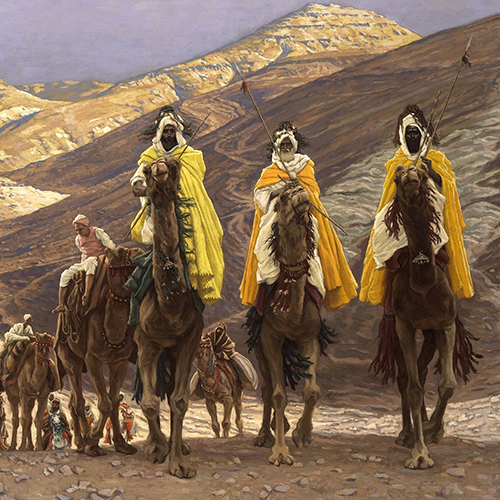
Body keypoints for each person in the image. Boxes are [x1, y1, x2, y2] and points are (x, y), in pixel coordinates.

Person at [359, 104, 474, 306]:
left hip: (429, 217)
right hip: (401, 217)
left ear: (422, 134)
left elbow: (448, 186)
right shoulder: (396, 162)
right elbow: (389, 195)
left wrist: (432, 173)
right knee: (383, 244)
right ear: (403, 135)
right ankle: (389, 307)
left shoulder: (435, 159)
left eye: (416, 133)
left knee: (442, 253)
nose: (412, 137)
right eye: (409, 133)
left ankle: (447, 305)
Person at [240, 121, 358, 313]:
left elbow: (313, 192)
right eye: (283, 145)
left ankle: (315, 294)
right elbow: (259, 195)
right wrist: (280, 189)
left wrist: (299, 188)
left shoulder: (305, 166)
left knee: (315, 241)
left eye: (289, 144)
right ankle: (264, 295)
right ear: (277, 148)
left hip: (303, 212)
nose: (286, 148)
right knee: (264, 245)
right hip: (276, 215)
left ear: (294, 146)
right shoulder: (269, 172)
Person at [129, 105, 224, 307]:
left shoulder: (189, 156)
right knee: (157, 248)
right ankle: (141, 295)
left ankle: (195, 293)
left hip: (188, 212)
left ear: (177, 133)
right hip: (159, 212)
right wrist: (150, 191)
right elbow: (136, 185)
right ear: (159, 133)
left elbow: (195, 184)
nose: (169, 136)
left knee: (199, 245)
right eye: (166, 132)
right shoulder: (149, 157)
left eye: (172, 131)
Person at [52, 214, 116, 313]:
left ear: (86, 226)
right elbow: (83, 252)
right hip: (86, 261)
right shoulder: (78, 239)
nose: (78, 232)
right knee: (65, 274)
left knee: (91, 264)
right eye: (76, 230)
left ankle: (86, 294)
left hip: (98, 259)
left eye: (80, 229)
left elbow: (110, 246)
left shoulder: (97, 232)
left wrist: (106, 256)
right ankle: (61, 305)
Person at [0, 314, 35, 384]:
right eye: (30, 319)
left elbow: (31, 337)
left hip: (23, 346)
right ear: (27, 320)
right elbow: (10, 335)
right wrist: (23, 337)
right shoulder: (17, 326)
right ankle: (4, 370)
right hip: (13, 343)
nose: (32, 321)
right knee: (5, 353)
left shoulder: (29, 328)